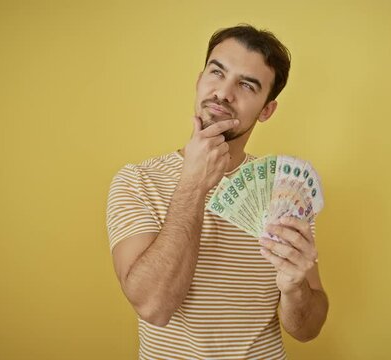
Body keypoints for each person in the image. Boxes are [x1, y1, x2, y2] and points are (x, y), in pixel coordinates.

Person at [106, 24, 328, 359]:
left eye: (246, 85)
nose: (223, 93)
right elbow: (154, 307)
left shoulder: (285, 192)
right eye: (217, 72)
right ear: (199, 80)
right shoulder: (137, 181)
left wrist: (295, 287)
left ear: (266, 110)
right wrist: (193, 185)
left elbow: (307, 330)